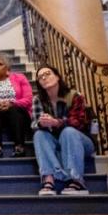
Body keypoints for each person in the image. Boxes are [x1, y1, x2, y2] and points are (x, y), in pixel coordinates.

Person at [31, 65, 94, 195]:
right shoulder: (38, 100)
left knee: (68, 131)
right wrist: (42, 123)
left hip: (81, 142)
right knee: (39, 135)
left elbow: (79, 122)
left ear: (57, 76)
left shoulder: (74, 95)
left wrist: (57, 122)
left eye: (47, 74)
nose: (44, 78)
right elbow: (34, 124)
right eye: (40, 77)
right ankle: (49, 179)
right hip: (55, 142)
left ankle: (76, 180)